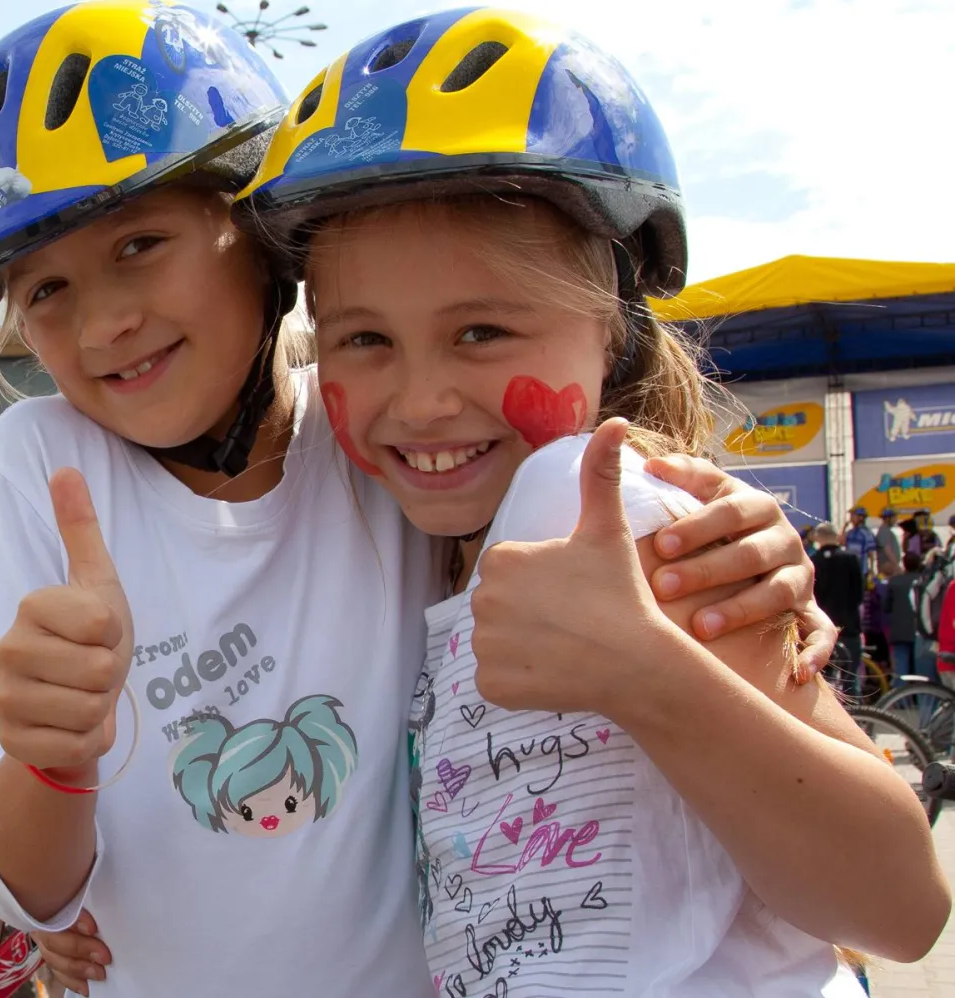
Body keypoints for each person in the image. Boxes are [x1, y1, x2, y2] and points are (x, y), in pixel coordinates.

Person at [0, 6, 836, 994]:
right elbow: (24, 882)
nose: (104, 320)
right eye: (45, 290)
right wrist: (51, 763)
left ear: (266, 243)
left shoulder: (380, 435)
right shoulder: (39, 464)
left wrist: (741, 559)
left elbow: (581, 497)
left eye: (140, 243)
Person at [228, 11, 943, 990]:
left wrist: (646, 673)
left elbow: (899, 907)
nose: (422, 398)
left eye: (480, 330)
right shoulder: (418, 530)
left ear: (610, 336)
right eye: (363, 339)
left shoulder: (611, 516)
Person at [812, 521, 866, 696]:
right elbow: (859, 594)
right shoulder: (850, 559)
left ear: (817, 538)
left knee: (822, 682)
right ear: (836, 536)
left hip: (821, 629)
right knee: (851, 679)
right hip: (849, 626)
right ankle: (856, 718)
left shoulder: (813, 561)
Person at [885, 552, 926, 677]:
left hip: (899, 631)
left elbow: (886, 607)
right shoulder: (924, 581)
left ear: (904, 564)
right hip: (920, 631)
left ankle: (901, 695)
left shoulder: (895, 581)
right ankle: (920, 696)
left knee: (901, 671)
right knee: (921, 672)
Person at [844, 506, 877, 581]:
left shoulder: (866, 533)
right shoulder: (850, 532)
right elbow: (841, 542)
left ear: (861, 517)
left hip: (861, 571)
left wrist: (872, 569)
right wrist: (844, 527)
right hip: (850, 570)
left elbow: (871, 553)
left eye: (853, 515)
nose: (851, 518)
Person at [876, 507, 902, 577]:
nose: (896, 519)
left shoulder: (887, 531)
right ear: (887, 518)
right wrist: (896, 566)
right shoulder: (884, 531)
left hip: (890, 565)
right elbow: (887, 550)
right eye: (894, 517)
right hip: (888, 566)